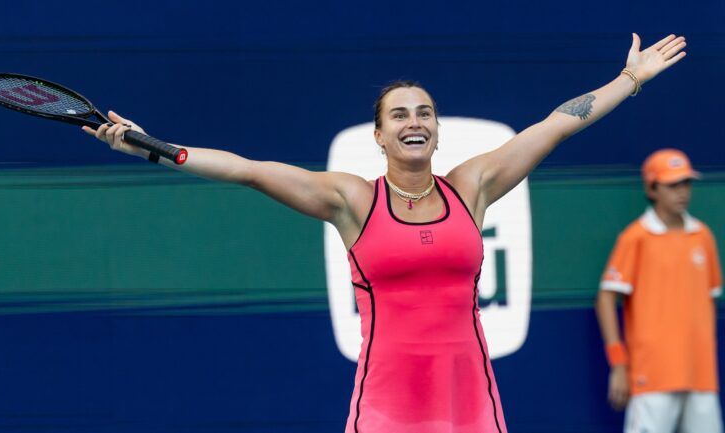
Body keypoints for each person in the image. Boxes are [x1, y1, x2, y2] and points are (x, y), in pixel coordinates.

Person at [86, 33, 686, 433]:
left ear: (437, 129)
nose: (414, 121)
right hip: (387, 404)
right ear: (379, 135)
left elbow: (556, 125)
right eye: (399, 114)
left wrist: (629, 79)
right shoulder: (352, 200)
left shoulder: (470, 187)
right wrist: (157, 149)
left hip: (470, 397)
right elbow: (249, 170)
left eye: (424, 112)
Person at [595, 149, 722, 433]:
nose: (682, 192)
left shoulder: (703, 236)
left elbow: (708, 301)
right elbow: (605, 297)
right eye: (673, 184)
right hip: (652, 375)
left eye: (686, 183)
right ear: (652, 188)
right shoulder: (636, 237)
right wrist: (619, 363)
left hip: (701, 376)